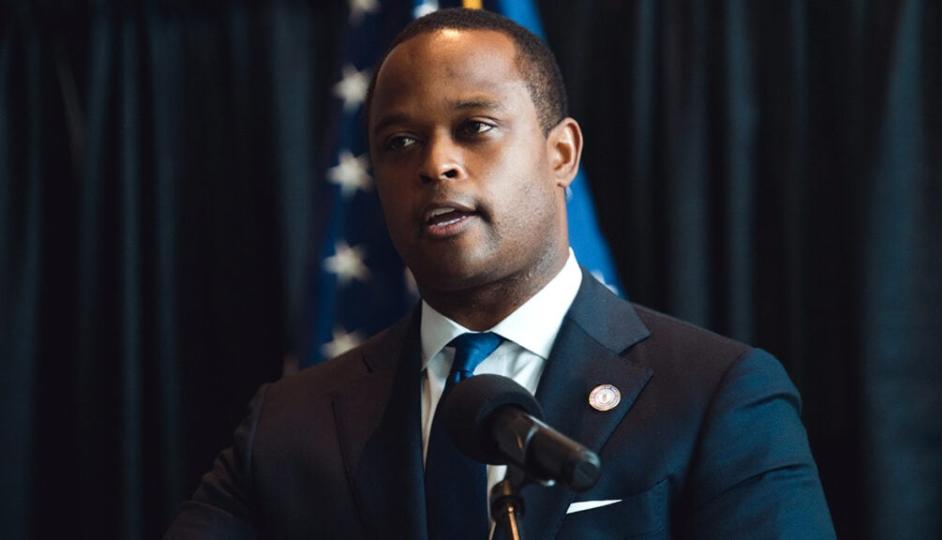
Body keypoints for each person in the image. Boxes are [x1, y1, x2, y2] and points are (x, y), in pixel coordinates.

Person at [165, 8, 835, 539]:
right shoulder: (288, 422)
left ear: (561, 153)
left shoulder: (719, 397)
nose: (436, 164)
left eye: (475, 127)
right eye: (399, 143)